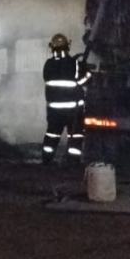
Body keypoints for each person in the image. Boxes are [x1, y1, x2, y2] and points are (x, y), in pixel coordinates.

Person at [42, 33, 91, 166]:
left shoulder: (48, 65)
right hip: (73, 111)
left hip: (54, 111)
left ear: (52, 47)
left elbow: (49, 80)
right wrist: (86, 71)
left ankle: (46, 161)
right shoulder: (74, 64)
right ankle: (73, 163)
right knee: (75, 136)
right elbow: (84, 81)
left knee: (52, 135)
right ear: (67, 47)